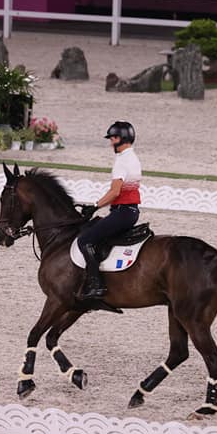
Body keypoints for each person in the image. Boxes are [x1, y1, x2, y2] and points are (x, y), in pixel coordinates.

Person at [75, 121, 142, 300]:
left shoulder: (122, 161)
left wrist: (95, 206)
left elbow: (115, 192)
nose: (110, 142)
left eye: (112, 138)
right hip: (130, 211)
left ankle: (96, 285)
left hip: (123, 212)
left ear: (120, 139)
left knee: (85, 240)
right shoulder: (133, 157)